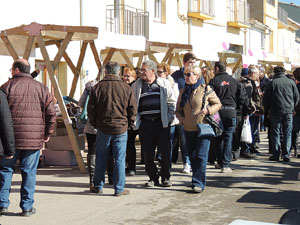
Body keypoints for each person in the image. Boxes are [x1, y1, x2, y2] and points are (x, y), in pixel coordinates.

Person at [0, 59, 56, 216]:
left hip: (8, 139)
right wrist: (47, 133)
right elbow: (51, 113)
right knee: (29, 171)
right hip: (33, 139)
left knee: (5, 169)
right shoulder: (42, 88)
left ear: (17, 69)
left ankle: (2, 204)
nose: (10, 71)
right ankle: (27, 207)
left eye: (11, 69)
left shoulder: (6, 87)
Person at [87, 61, 136, 196]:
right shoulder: (126, 88)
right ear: (118, 72)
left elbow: (91, 109)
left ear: (106, 71)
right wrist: (130, 124)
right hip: (121, 127)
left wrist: (95, 123)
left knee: (101, 158)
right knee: (119, 159)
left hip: (103, 126)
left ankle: (98, 186)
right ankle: (119, 188)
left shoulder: (97, 87)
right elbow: (132, 108)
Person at [176, 65, 221, 193]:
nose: (187, 77)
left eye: (189, 74)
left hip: (203, 127)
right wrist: (182, 120)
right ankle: (196, 178)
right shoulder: (183, 91)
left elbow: (218, 104)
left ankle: (198, 183)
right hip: (188, 128)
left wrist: (208, 110)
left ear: (197, 76)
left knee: (201, 156)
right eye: (185, 74)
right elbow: (178, 110)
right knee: (193, 155)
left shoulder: (206, 89)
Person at [132, 60, 176, 187]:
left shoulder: (164, 83)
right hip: (145, 124)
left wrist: (168, 118)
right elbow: (134, 104)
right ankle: (152, 177)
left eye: (144, 70)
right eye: (141, 70)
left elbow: (171, 102)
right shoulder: (137, 85)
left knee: (165, 152)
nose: (141, 72)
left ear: (152, 71)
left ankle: (166, 177)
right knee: (148, 153)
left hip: (161, 122)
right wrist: (137, 122)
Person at [172, 52, 200, 173]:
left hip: (195, 114)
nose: (192, 65)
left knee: (194, 140)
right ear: (184, 63)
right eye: (190, 63)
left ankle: (194, 162)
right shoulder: (176, 76)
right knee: (183, 140)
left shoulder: (198, 75)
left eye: (194, 63)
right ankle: (187, 162)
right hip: (182, 112)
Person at [263, 66, 299, 162]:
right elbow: (297, 96)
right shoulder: (291, 82)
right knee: (287, 133)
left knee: (276, 132)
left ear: (275, 72)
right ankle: (286, 154)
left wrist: (267, 109)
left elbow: (266, 99)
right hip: (288, 111)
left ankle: (276, 154)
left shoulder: (272, 83)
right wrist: (292, 107)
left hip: (275, 111)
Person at [209, 61, 238, 173]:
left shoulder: (213, 81)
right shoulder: (234, 81)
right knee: (228, 137)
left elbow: (209, 96)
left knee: (219, 137)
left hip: (217, 113)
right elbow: (241, 96)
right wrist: (238, 108)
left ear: (216, 69)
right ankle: (225, 164)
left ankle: (221, 162)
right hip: (231, 112)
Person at [157, 62, 180, 169]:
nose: (158, 74)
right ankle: (161, 161)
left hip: (170, 119)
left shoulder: (173, 85)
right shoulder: (156, 83)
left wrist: (171, 116)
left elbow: (174, 102)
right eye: (156, 72)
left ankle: (167, 164)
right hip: (159, 118)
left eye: (160, 72)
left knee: (168, 143)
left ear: (166, 73)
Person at [239, 66, 262, 158]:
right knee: (248, 130)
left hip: (253, 110)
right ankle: (246, 150)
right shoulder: (247, 83)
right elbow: (247, 98)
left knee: (252, 130)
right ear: (253, 73)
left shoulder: (251, 82)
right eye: (257, 74)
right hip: (249, 110)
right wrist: (248, 110)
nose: (258, 76)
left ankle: (249, 148)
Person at [122, 67, 138, 176]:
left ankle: (132, 166)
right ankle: (129, 165)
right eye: (124, 75)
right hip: (125, 118)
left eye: (128, 76)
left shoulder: (135, 87)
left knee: (130, 143)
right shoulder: (123, 86)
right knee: (128, 143)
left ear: (134, 77)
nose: (125, 78)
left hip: (134, 118)